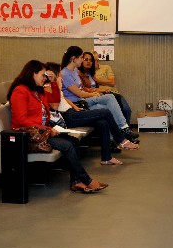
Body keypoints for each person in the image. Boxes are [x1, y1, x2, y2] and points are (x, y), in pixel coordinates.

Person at [8, 60, 108, 193]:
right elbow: (21, 120)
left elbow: (55, 102)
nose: (45, 78)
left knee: (73, 141)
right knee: (67, 145)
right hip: (29, 135)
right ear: (33, 74)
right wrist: (48, 129)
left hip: (43, 131)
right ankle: (87, 180)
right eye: (43, 75)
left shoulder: (38, 91)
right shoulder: (20, 91)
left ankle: (76, 182)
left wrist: (54, 82)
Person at [46, 62, 138, 164]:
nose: (61, 74)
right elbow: (54, 106)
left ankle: (106, 158)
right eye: (59, 72)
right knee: (105, 112)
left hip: (72, 112)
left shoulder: (54, 85)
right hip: (67, 117)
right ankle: (121, 140)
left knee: (102, 122)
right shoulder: (48, 87)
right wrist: (57, 85)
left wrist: (74, 106)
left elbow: (64, 98)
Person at [60, 46, 134, 137]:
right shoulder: (65, 74)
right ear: (73, 59)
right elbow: (79, 93)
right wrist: (92, 94)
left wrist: (93, 93)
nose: (82, 60)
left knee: (108, 106)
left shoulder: (75, 70)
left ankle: (117, 136)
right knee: (109, 98)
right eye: (81, 58)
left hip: (82, 99)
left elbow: (81, 89)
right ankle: (123, 128)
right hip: (77, 103)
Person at [81, 51, 134, 130]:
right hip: (101, 94)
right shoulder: (87, 72)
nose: (90, 62)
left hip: (113, 93)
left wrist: (98, 80)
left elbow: (112, 82)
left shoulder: (106, 67)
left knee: (126, 110)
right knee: (112, 108)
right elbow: (85, 88)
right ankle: (121, 131)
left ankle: (125, 131)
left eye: (93, 60)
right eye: (87, 59)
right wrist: (100, 88)